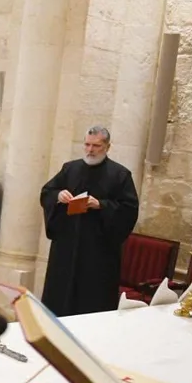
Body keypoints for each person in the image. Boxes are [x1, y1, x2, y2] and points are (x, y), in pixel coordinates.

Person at [40, 126, 139, 317]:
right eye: (86, 144)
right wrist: (58, 196)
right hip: (66, 246)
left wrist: (101, 204)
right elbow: (47, 192)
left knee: (92, 301)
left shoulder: (120, 174)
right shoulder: (70, 168)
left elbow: (129, 209)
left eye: (96, 146)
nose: (90, 150)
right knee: (60, 298)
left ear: (107, 147)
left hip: (98, 250)